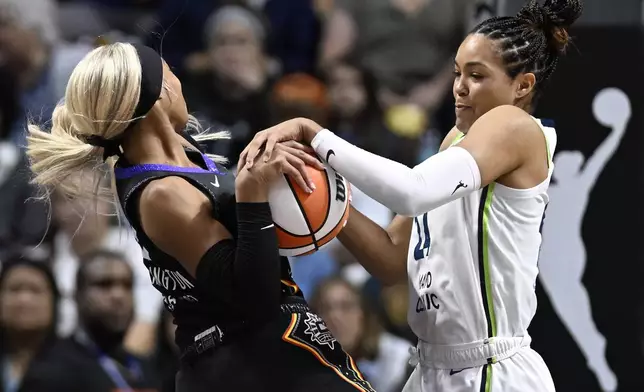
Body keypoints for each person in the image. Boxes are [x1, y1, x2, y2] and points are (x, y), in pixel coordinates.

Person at [239, 0, 583, 390]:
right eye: (456, 73)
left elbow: (411, 192)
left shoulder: (514, 126)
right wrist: (324, 201)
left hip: (490, 368)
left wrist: (311, 132)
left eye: (477, 75)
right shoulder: (455, 141)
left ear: (522, 86)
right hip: (431, 367)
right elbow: (390, 258)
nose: (460, 87)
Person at [26, 42, 374, 392]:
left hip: (276, 348)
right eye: (171, 73)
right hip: (243, 364)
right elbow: (255, 299)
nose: (180, 83)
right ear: (160, 90)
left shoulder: (186, 152)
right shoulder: (160, 193)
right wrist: (252, 194)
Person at [44, 250, 161, 391]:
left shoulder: (148, 368)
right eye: (104, 285)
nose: (118, 296)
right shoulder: (51, 368)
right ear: (77, 295)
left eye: (127, 285)